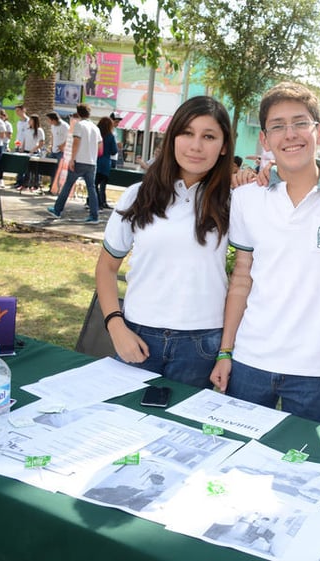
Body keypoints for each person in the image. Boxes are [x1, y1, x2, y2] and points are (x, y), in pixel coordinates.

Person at [209, 82, 320, 425]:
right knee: (233, 459)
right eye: (277, 126)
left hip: (317, 370)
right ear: (264, 139)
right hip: (251, 360)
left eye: (300, 123)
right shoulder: (248, 197)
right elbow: (241, 279)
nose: (289, 134)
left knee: (302, 467)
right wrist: (226, 351)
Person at [94, 96, 234, 387]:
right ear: (172, 138)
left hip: (202, 344)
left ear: (223, 147)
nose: (196, 146)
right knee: (122, 425)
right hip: (137, 335)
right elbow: (106, 268)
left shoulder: (234, 202)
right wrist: (116, 326)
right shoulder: (138, 194)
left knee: (186, 431)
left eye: (208, 136)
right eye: (187, 133)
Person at [47, 103, 103, 223]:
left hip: (80, 160)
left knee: (68, 185)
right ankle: (94, 215)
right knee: (91, 188)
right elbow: (99, 146)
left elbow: (76, 143)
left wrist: (72, 159)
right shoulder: (95, 128)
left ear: (78, 113)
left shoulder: (79, 126)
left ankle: (57, 209)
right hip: (92, 162)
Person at [14, 114, 45, 190]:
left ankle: (35, 185)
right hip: (26, 151)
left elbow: (41, 143)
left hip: (34, 152)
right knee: (26, 169)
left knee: (34, 170)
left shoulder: (39, 130)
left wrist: (34, 149)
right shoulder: (27, 130)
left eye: (31, 120)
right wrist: (22, 148)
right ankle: (25, 185)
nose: (29, 122)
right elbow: (24, 140)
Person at [95, 116, 118, 210]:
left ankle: (96, 203)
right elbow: (114, 151)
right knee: (103, 184)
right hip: (106, 164)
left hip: (96, 161)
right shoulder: (110, 136)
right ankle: (102, 202)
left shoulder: (96, 135)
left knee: (94, 184)